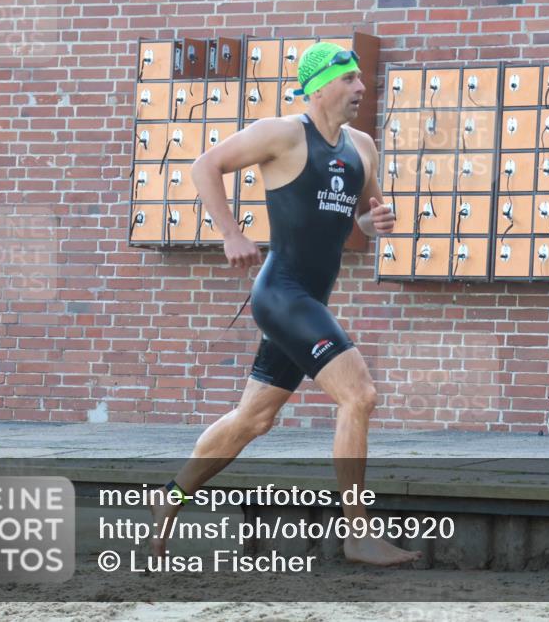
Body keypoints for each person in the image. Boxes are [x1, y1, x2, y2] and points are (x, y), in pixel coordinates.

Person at [150, 42, 420, 567]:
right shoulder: (282, 133)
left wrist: (370, 225)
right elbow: (205, 165)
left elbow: (350, 230)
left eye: (361, 81)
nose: (361, 90)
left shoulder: (362, 147)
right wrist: (230, 233)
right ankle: (358, 531)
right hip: (282, 294)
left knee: (254, 419)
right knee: (359, 395)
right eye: (349, 81)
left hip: (309, 296)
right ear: (320, 87)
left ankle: (170, 495)